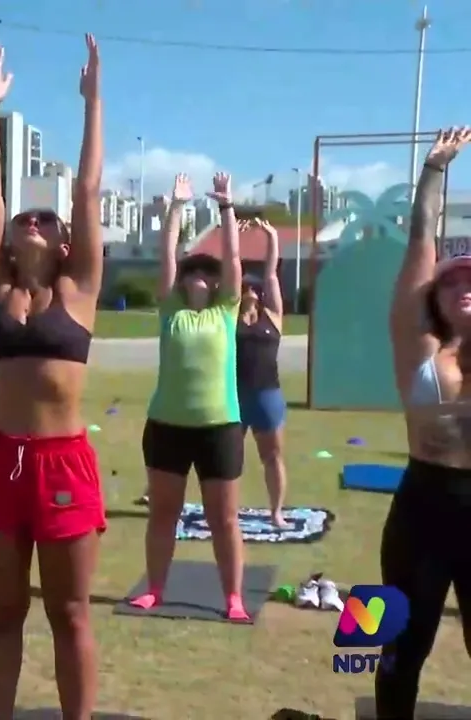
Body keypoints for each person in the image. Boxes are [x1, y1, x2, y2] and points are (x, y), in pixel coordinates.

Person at [0, 37, 105, 719]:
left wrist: (93, 103)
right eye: (25, 216)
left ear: (64, 238)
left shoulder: (78, 290)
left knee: (71, 613)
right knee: (3, 610)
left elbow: (86, 187)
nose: (32, 220)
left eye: (45, 218)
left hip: (63, 464)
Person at [374, 126, 471, 719]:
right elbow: (420, 243)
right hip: (423, 506)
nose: (461, 284)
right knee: (401, 647)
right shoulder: (418, 345)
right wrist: (434, 172)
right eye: (452, 278)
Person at [131, 172, 248, 622]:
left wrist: (225, 207)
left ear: (217, 284)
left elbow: (234, 259)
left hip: (220, 428)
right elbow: (166, 254)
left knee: (225, 520)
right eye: (192, 270)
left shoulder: (226, 311)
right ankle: (155, 590)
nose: (199, 276)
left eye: (207, 272)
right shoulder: (170, 311)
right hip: (167, 427)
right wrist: (177, 207)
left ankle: (233, 598)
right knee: (163, 514)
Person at [236, 218, 289, 527]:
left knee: (272, 457)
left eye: (257, 287)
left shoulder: (274, 316)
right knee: (230, 458)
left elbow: (270, 273)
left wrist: (270, 236)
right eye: (248, 287)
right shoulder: (230, 316)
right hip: (234, 394)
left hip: (268, 394)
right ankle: (227, 508)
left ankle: (276, 511)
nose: (254, 290)